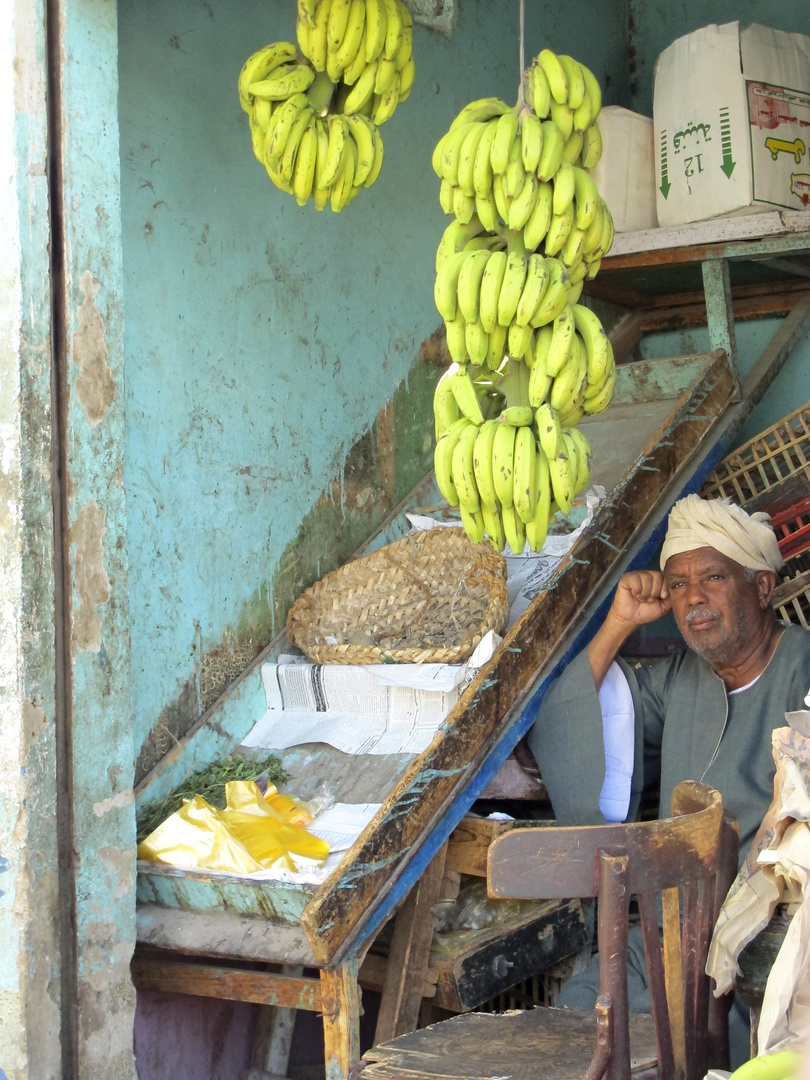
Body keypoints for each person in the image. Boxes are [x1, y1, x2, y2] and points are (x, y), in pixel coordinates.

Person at [527, 492, 810, 1063]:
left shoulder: (803, 667)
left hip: (768, 950)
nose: (693, 599)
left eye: (712, 577)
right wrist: (618, 621)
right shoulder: (683, 679)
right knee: (568, 1032)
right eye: (678, 584)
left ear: (761, 587)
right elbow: (567, 714)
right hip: (666, 943)